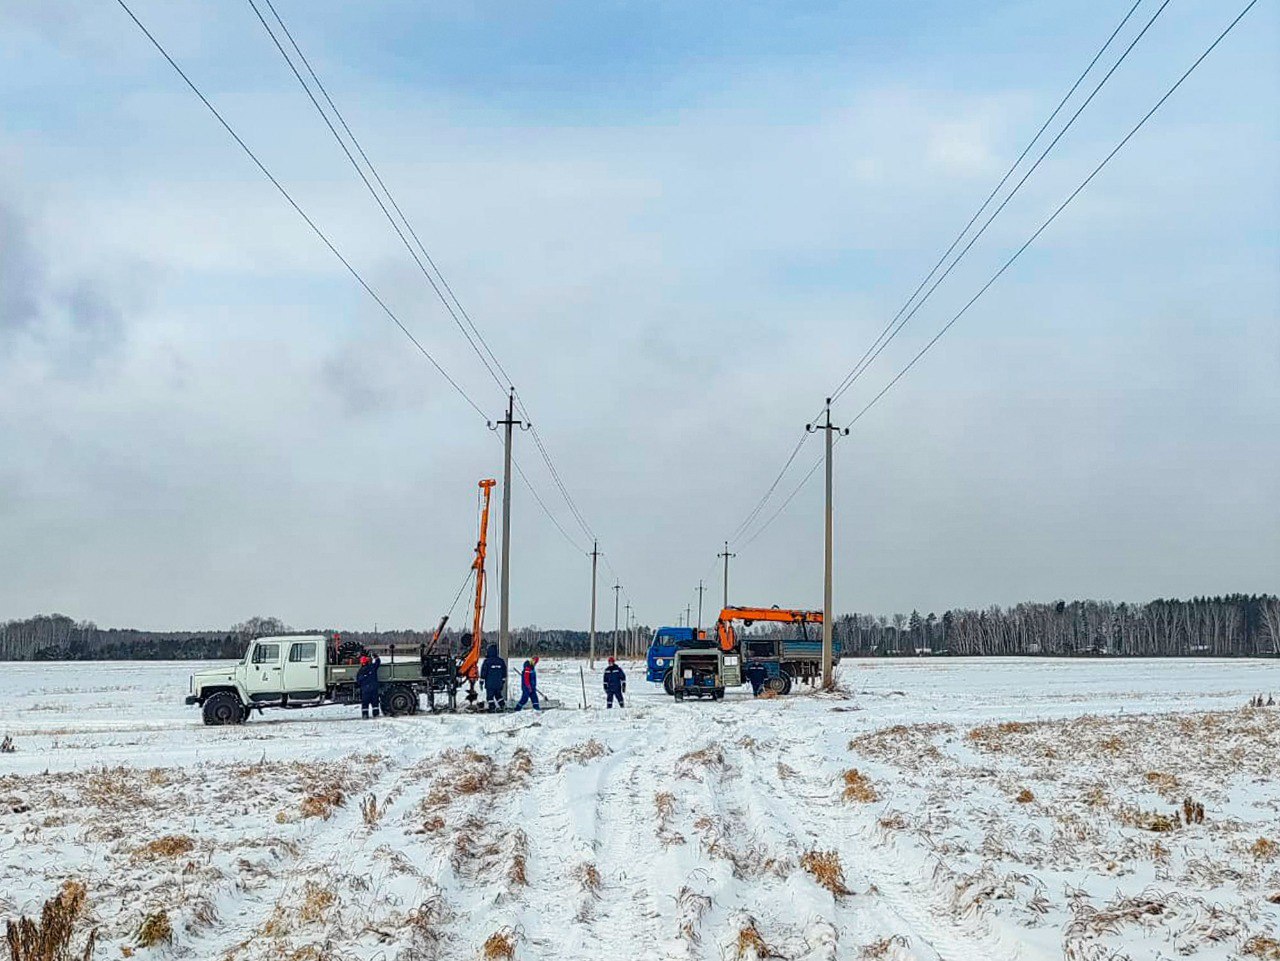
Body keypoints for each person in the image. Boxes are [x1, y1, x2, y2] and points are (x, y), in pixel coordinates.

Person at [480, 643, 507, 712]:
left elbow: (483, 672)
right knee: (498, 695)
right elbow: (504, 671)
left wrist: (481, 681)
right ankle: (502, 705)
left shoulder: (487, 661)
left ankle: (492, 707)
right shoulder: (501, 661)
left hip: (490, 684)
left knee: (490, 697)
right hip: (498, 683)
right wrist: (503, 680)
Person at [356, 653, 381, 719]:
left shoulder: (360, 671)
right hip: (373, 688)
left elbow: (358, 681)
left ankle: (365, 715)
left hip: (365, 690)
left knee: (365, 703)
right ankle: (376, 714)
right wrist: (376, 657)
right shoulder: (372, 667)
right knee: (375, 702)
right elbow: (377, 663)